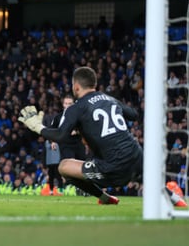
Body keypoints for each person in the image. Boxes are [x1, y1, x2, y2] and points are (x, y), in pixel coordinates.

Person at [18, 66, 187, 206]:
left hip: (114, 166)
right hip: (137, 156)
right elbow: (134, 115)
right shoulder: (109, 99)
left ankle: (105, 198)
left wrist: (38, 127)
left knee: (63, 167)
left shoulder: (76, 108)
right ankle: (175, 199)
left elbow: (61, 136)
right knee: (143, 174)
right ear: (94, 84)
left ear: (76, 86)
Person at [46, 94, 88, 195]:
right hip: (65, 143)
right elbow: (51, 130)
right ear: (63, 105)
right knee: (69, 165)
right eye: (66, 103)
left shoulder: (79, 116)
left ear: (73, 104)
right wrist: (53, 141)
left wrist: (77, 132)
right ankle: (71, 186)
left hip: (78, 143)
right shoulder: (59, 117)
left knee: (82, 166)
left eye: (70, 103)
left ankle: (83, 188)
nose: (68, 105)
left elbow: (86, 129)